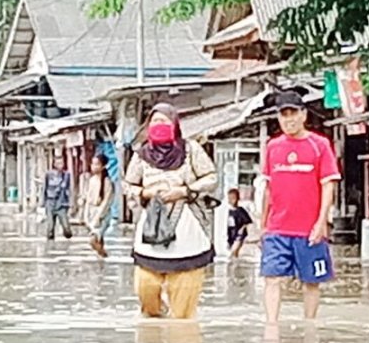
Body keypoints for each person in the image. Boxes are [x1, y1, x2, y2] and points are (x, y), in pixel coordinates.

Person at [124, 103, 218, 319]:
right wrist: (145, 193)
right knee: (145, 287)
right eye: (155, 121)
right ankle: (155, 327)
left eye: (165, 121)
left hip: (187, 227)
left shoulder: (191, 150)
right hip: (151, 226)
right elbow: (128, 184)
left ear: (175, 124)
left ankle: (181, 337)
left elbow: (211, 178)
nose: (159, 125)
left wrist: (184, 191)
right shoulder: (141, 155)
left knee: (183, 306)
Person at [261, 91, 341, 324]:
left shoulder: (320, 145)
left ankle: (310, 327)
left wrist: (321, 223)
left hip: (309, 229)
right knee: (272, 279)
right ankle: (271, 326)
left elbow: (328, 185)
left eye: (293, 113)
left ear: (304, 115)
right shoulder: (273, 146)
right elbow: (268, 189)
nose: (289, 119)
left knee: (311, 282)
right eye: (284, 114)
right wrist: (262, 225)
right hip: (277, 229)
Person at [83, 152, 115, 257]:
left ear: (103, 166)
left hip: (103, 215)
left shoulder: (107, 182)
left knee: (92, 240)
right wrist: (86, 215)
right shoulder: (91, 180)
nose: (94, 166)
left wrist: (98, 217)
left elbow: (106, 201)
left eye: (97, 164)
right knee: (99, 240)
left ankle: (104, 255)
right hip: (92, 212)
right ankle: (102, 258)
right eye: (93, 164)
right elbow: (88, 199)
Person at [43, 156, 73, 241]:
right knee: (50, 229)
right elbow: (44, 188)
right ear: (54, 164)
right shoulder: (48, 174)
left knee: (67, 230)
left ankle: (67, 239)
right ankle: (50, 245)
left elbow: (69, 189)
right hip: (50, 203)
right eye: (58, 163)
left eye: (62, 163)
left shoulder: (66, 175)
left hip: (62, 203)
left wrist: (70, 203)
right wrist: (43, 203)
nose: (61, 165)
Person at [227, 187, 254, 259]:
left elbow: (247, 221)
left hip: (239, 234)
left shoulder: (240, 210)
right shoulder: (227, 211)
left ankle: (235, 259)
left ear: (237, 199)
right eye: (230, 198)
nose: (231, 200)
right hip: (230, 233)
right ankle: (234, 259)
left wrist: (242, 229)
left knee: (234, 250)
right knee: (230, 249)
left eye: (233, 198)